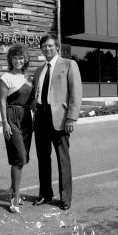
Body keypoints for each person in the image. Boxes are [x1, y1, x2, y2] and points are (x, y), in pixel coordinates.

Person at [32, 34, 82, 210]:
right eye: (44, 46)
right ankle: (45, 194)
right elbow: (36, 94)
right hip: (41, 118)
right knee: (43, 158)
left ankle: (65, 198)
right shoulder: (39, 70)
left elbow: (76, 93)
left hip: (60, 119)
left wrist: (71, 117)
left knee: (63, 159)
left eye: (50, 46)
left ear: (57, 47)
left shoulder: (69, 64)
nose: (47, 49)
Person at [0, 43, 33, 213]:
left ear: (25, 59)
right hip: (12, 117)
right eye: (15, 57)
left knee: (23, 157)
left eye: (21, 57)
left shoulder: (29, 78)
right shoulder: (6, 77)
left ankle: (14, 190)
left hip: (27, 118)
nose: (18, 60)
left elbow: (32, 101)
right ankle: (15, 198)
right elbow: (3, 101)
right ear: (10, 59)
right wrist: (4, 122)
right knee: (18, 158)